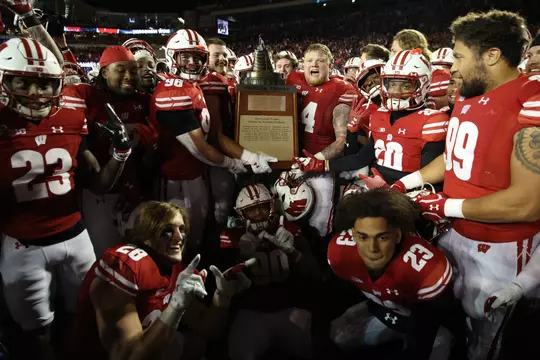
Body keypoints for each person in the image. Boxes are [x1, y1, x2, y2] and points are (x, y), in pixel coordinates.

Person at [386, 10, 540, 359]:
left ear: (492, 55)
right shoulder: (471, 92)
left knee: (489, 343)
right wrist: (407, 183)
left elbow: (527, 203)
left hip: (502, 250)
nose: (451, 68)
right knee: (452, 323)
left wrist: (443, 206)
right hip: (457, 234)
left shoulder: (531, 96)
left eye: (458, 56)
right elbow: (456, 156)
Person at [0, 37, 129, 360]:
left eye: (44, 84)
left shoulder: (70, 118)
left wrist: (121, 152)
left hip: (75, 236)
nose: (35, 93)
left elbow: (98, 183)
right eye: (23, 82)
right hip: (22, 244)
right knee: (35, 334)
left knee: (84, 318)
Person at [73, 201, 251, 360]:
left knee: (194, 345)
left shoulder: (174, 269)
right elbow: (125, 356)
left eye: (182, 229)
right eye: (167, 230)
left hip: (144, 347)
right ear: (146, 235)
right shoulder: (124, 265)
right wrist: (175, 307)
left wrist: (222, 296)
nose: (179, 237)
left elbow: (208, 328)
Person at [328, 189, 464, 360]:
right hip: (383, 311)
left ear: (397, 235)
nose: (372, 248)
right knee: (337, 334)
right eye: (363, 237)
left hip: (430, 325)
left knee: (437, 345)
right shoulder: (340, 252)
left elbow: (426, 324)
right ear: (353, 235)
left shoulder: (426, 268)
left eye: (382, 238)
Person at [295, 49, 447, 189]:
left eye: (406, 85)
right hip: (378, 187)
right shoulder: (380, 115)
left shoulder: (433, 120)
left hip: (409, 194)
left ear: (424, 84)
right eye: (392, 84)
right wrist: (322, 165)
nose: (395, 92)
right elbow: (361, 158)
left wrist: (395, 188)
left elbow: (430, 177)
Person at [62, 45, 152, 257]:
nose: (129, 76)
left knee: (136, 254)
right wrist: (85, 148)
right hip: (98, 192)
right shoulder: (85, 95)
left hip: (135, 189)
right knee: (103, 253)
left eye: (132, 70)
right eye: (120, 69)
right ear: (104, 72)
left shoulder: (145, 101)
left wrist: (147, 140)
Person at [219, 184, 320, 360]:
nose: (258, 214)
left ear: (272, 206)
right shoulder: (232, 236)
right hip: (251, 312)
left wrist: (293, 252)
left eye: (262, 207)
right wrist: (239, 255)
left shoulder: (290, 230)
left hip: (290, 307)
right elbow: (221, 280)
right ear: (240, 213)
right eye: (251, 210)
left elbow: (314, 274)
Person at [286, 43, 357, 237]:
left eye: (320, 61)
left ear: (330, 65)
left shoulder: (341, 89)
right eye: (309, 60)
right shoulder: (293, 80)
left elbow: (342, 141)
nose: (313, 64)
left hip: (322, 166)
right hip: (291, 159)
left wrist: (314, 160)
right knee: (286, 214)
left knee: (320, 220)